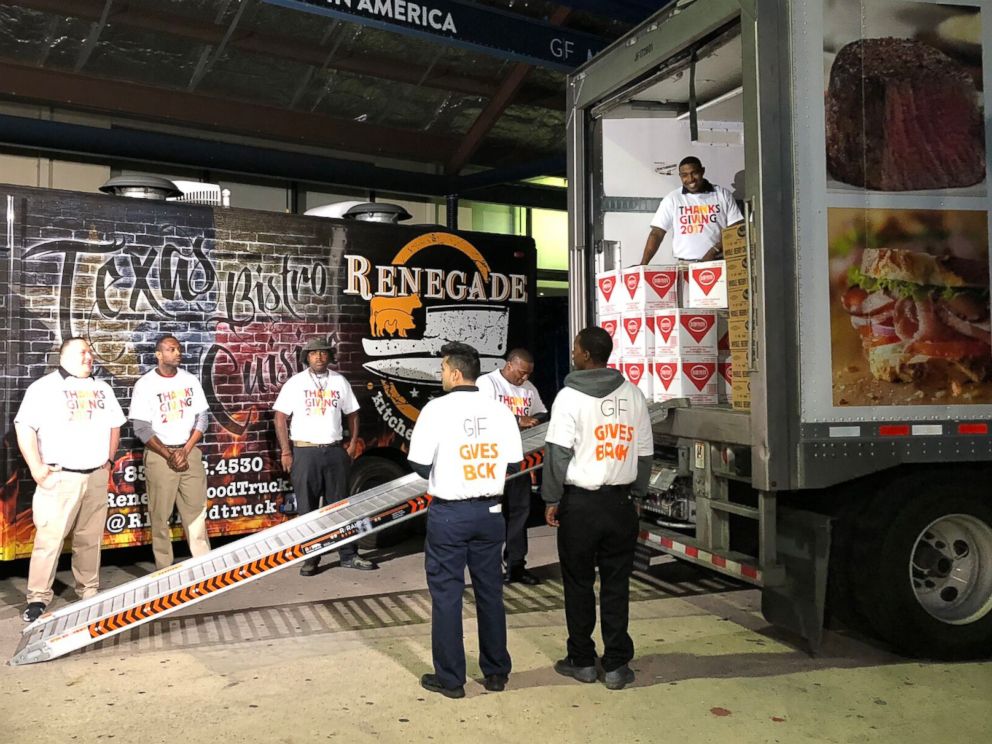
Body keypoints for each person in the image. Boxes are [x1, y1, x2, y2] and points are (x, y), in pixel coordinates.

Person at [408, 342, 523, 698]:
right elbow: (515, 464)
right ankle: (496, 673)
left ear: (456, 373)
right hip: (490, 513)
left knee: (447, 595)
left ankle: (451, 679)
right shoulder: (501, 411)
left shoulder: (436, 410)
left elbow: (419, 465)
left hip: (450, 515)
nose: (441, 375)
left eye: (443, 369)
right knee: (490, 592)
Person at [542, 326, 653, 691]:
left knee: (578, 583)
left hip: (581, 506)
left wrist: (552, 498)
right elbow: (645, 454)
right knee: (617, 584)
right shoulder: (633, 395)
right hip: (620, 504)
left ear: (587, 355)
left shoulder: (569, 397)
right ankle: (617, 664)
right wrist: (636, 496)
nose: (573, 353)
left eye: (575, 349)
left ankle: (583, 660)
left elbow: (558, 454)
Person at [14, 337, 125, 623]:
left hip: (96, 476)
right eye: (83, 352)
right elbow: (24, 427)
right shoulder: (43, 388)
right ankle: (38, 598)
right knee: (49, 540)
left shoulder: (102, 388)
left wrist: (108, 461)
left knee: (89, 539)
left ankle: (88, 591)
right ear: (64, 356)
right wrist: (37, 467)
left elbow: (115, 425)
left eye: (91, 352)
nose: (90, 356)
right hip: (60, 477)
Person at [273, 338, 377, 574]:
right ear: (306, 358)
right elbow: (280, 417)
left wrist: (351, 445)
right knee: (307, 509)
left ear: (329, 356)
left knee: (340, 506)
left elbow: (353, 413)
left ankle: (348, 554)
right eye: (313, 354)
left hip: (333, 451)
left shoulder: (339, 381)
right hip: (305, 452)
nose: (318, 357)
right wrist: (287, 451)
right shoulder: (296, 383)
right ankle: (312, 557)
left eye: (323, 353)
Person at [129, 335, 211, 570]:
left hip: (188, 452)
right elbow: (141, 428)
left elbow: (202, 418)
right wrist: (168, 454)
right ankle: (164, 569)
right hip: (159, 456)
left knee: (196, 511)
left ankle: (204, 565)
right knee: (160, 515)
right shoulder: (145, 384)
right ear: (158, 354)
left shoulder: (190, 380)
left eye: (179, 349)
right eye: (171, 349)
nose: (178, 353)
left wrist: (185, 450)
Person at [476, 348, 547, 585]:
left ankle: (516, 565)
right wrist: (518, 420)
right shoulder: (488, 383)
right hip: (491, 462)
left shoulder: (529, 389)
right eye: (521, 373)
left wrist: (537, 420)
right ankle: (489, 568)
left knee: (519, 515)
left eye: (528, 374)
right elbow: (483, 414)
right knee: (492, 516)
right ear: (509, 365)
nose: (524, 378)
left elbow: (541, 412)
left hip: (520, 462)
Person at [640, 155, 744, 264]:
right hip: (685, 266)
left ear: (702, 171)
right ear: (680, 176)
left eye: (694, 173)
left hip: (718, 262)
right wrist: (643, 264)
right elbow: (657, 233)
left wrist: (714, 251)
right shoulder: (673, 199)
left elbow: (736, 228)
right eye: (684, 175)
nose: (690, 179)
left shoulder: (722, 194)